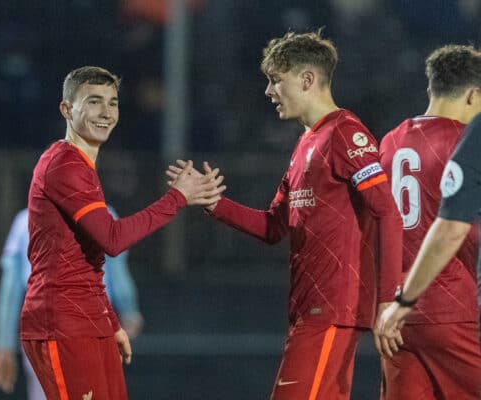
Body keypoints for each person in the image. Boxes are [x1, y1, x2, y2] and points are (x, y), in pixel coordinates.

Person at [168, 31, 403, 399]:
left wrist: (390, 300)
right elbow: (274, 226)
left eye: (276, 79)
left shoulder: (346, 132)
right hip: (307, 310)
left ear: (307, 79)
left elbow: (386, 212)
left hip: (331, 309)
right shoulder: (307, 142)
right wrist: (214, 202)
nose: (268, 90)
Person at [19, 66, 225, 400]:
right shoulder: (64, 164)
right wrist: (177, 198)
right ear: (67, 110)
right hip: (61, 323)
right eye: (94, 101)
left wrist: (109, 321)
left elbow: (89, 258)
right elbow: (112, 240)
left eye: (112, 103)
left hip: (88, 321)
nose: (106, 112)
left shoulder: (81, 165)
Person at [376, 45, 481, 399]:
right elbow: (462, 231)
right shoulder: (466, 144)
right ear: (472, 95)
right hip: (455, 308)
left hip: (398, 313)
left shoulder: (389, 142)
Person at [0, 206, 144, 399]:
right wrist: (130, 314)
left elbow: (10, 290)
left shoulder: (25, 220)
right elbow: (119, 279)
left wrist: (4, 346)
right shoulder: (103, 215)